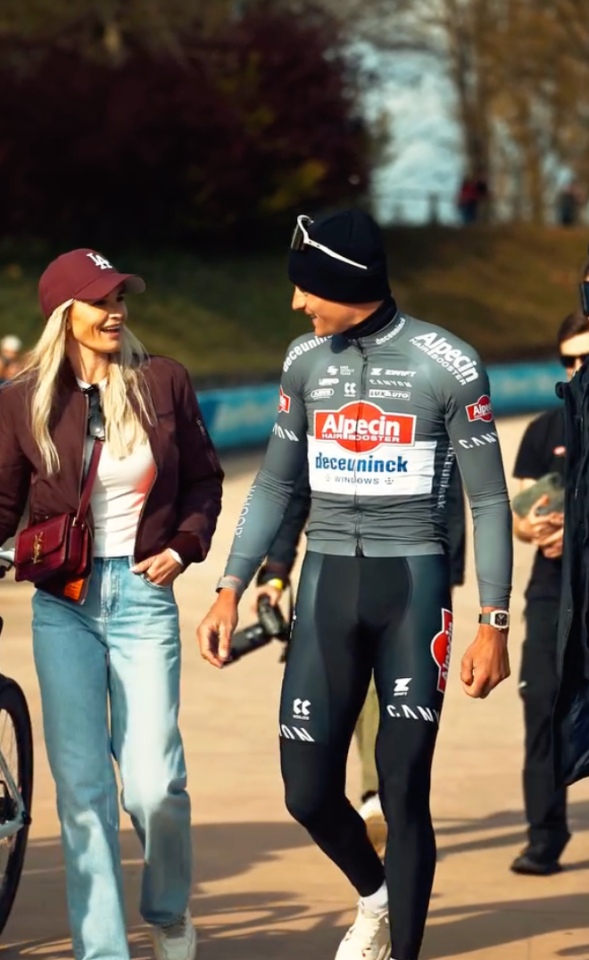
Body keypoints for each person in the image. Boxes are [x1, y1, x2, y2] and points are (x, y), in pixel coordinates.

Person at [197, 209, 512, 960]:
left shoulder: (448, 362)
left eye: (306, 288)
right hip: (326, 582)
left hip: (413, 586)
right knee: (305, 793)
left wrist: (493, 623)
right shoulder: (304, 361)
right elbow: (274, 486)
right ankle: (375, 897)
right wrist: (230, 586)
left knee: (401, 791)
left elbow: (490, 501)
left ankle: (401, 949)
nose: (296, 303)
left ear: (347, 281)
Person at [0, 248, 223, 960]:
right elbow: (2, 501)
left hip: (142, 596)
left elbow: (204, 481)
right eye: (100, 301)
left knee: (156, 784)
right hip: (62, 604)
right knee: (82, 790)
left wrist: (184, 545)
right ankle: (103, 950)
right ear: (64, 314)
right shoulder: (22, 398)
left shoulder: (163, 380)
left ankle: (167, 911)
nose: (116, 311)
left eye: (120, 298)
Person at [254, 460, 466, 859]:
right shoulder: (320, 423)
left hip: (407, 577)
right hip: (333, 577)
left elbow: (446, 493)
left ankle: (376, 796)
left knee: (379, 694)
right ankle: (338, 798)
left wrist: (441, 575)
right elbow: (295, 493)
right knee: (335, 699)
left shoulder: (428, 422)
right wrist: (275, 574)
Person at [510, 312, 589, 876]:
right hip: (549, 591)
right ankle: (544, 836)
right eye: (568, 360)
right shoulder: (543, 430)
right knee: (541, 707)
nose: (577, 368)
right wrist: (538, 529)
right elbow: (521, 513)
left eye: (587, 358)